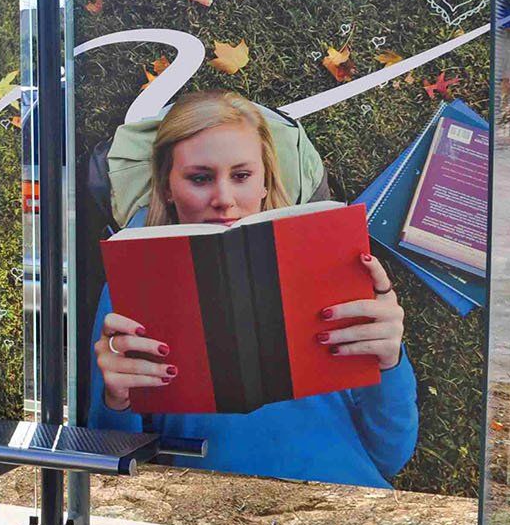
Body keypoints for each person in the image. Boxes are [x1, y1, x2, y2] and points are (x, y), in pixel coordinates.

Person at [87, 90, 418, 489]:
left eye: (241, 176)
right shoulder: (132, 280)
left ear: (265, 182)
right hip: (208, 517)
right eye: (200, 178)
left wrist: (390, 363)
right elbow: (109, 465)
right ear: (168, 186)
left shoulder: (330, 265)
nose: (224, 200)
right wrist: (116, 401)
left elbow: (391, 455)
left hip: (344, 500)